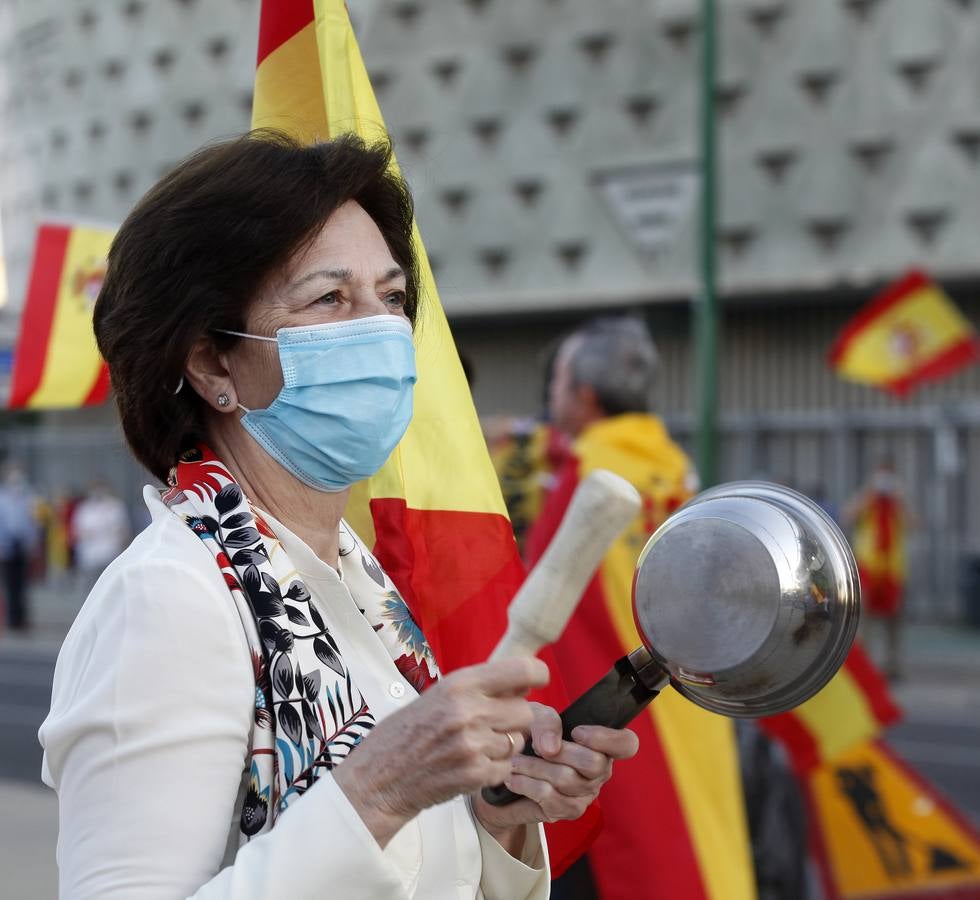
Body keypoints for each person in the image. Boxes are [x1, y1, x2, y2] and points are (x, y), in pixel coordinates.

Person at [39, 131, 638, 899]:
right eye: (330, 298)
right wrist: (379, 791)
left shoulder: (356, 584)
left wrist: (495, 815)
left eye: (391, 298)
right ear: (212, 362)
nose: (381, 331)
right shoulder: (171, 599)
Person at [527, 317, 754, 899]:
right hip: (690, 711)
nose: (550, 400)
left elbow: (536, 599)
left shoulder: (587, 478)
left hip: (612, 717)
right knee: (694, 850)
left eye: (555, 384)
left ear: (584, 396)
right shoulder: (675, 470)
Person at [843, 458, 913, 679]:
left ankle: (893, 666)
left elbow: (914, 523)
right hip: (869, 567)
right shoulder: (867, 500)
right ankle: (865, 666)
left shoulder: (897, 503)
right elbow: (848, 515)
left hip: (893, 569)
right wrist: (868, 494)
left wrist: (901, 499)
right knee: (866, 621)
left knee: (894, 621)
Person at [0, 463, 41, 632]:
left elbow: (33, 523)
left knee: (23, 584)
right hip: (7, 546)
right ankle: (11, 618)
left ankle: (22, 618)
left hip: (23, 545)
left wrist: (33, 543)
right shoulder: (2, 498)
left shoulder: (28, 497)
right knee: (10, 584)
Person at [70, 480, 130, 593]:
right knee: (89, 594)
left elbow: (123, 532)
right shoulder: (84, 509)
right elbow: (77, 531)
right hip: (89, 558)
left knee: (110, 591)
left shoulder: (115, 506)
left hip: (110, 556)